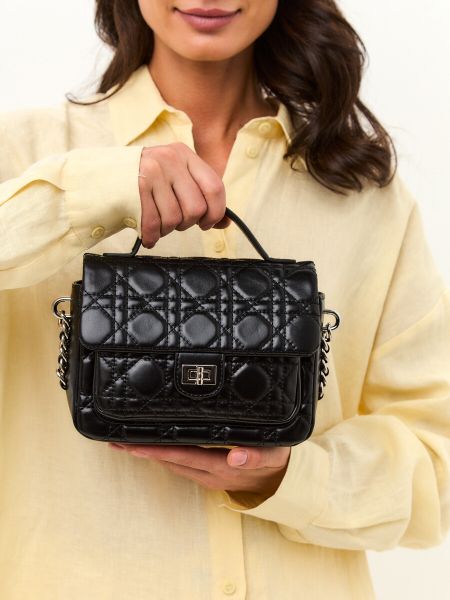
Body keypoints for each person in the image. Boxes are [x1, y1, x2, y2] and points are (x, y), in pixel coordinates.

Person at [0, 1, 449, 598]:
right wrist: (92, 190)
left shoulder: (361, 191)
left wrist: (290, 477)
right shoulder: (25, 154)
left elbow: (436, 462)